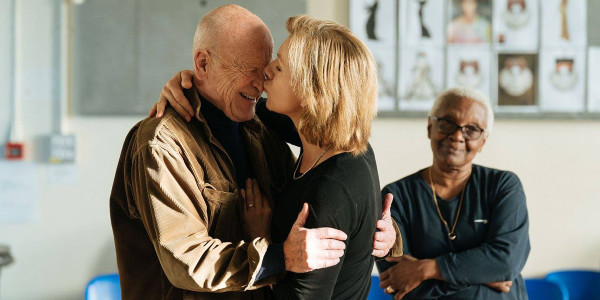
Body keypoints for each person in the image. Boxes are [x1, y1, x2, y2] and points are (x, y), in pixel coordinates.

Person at [111, 5, 398, 300]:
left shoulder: (261, 124)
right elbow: (187, 258)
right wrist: (277, 257)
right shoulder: (161, 144)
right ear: (203, 64)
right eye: (249, 69)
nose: (262, 82)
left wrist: (379, 232)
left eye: (268, 67)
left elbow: (325, 204)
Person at [376, 87, 530, 299]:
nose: (457, 136)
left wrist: (425, 269)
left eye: (472, 129)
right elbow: (396, 280)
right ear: (430, 127)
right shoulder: (396, 197)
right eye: (447, 123)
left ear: (483, 141)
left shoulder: (503, 186)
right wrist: (483, 274)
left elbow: (506, 261)